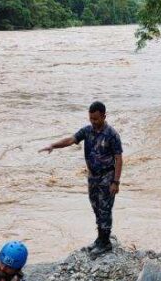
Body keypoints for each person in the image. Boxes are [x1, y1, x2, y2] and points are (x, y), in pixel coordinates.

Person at [39, 101, 123, 257]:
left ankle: (106, 242)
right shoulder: (87, 131)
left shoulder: (112, 134)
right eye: (91, 118)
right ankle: (100, 238)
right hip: (92, 176)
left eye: (96, 119)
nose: (93, 122)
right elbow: (71, 140)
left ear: (104, 116)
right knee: (96, 207)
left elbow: (119, 159)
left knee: (105, 208)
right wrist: (53, 145)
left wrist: (115, 182)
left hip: (107, 176)